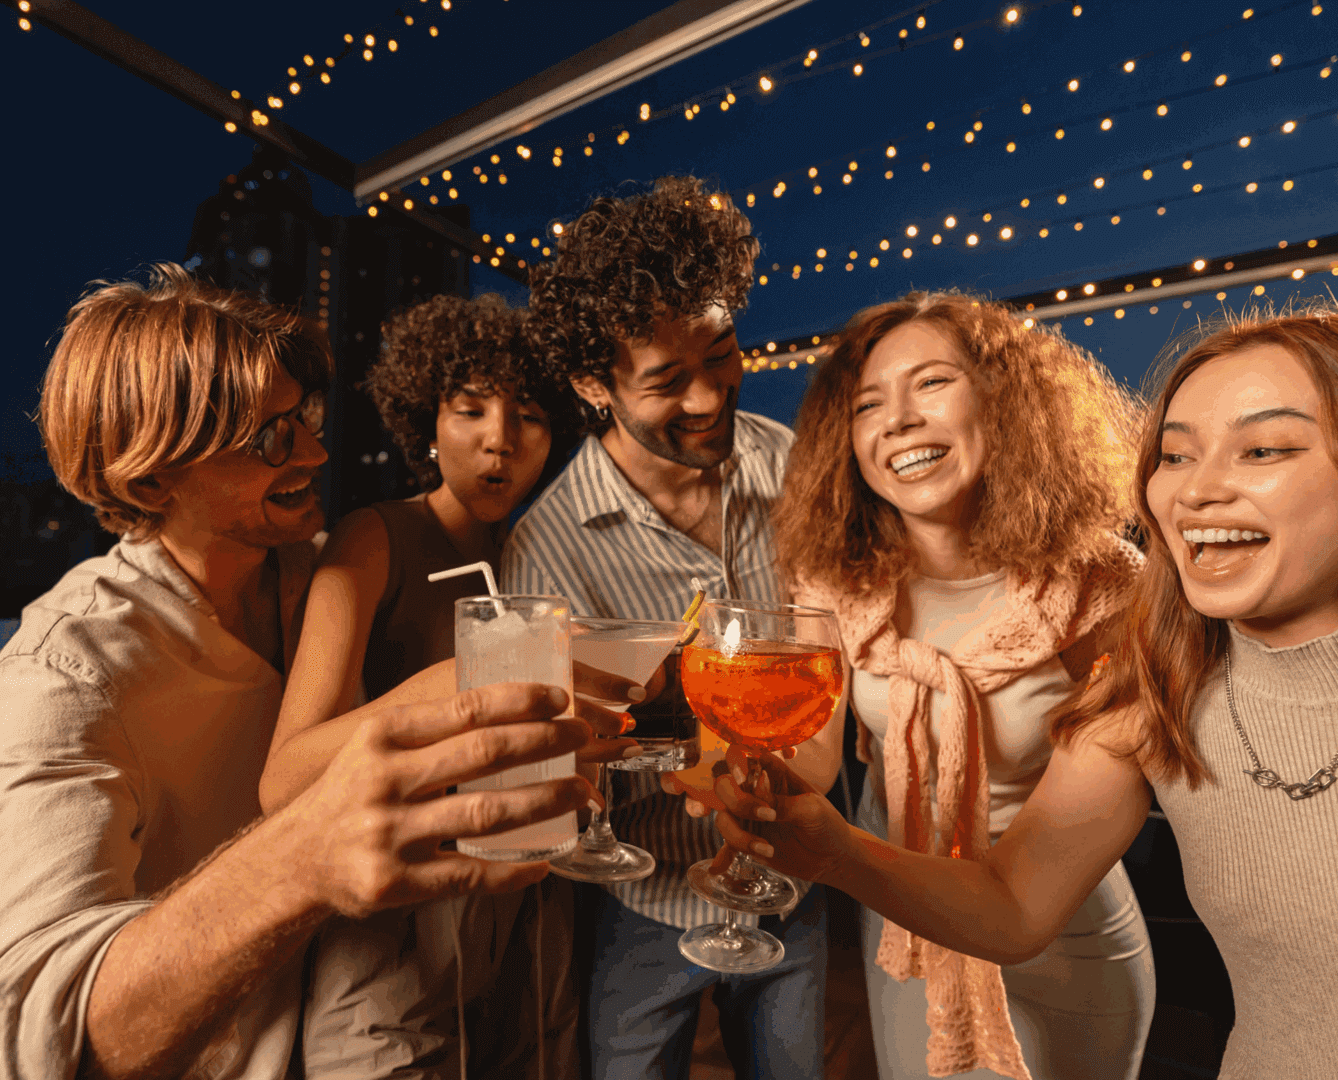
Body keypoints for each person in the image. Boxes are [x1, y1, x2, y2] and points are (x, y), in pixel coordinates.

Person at [0, 265, 597, 1080]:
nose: (315, 452)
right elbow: (38, 1031)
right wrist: (295, 862)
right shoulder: (62, 676)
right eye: (270, 438)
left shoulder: (332, 575)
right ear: (149, 477)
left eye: (305, 419)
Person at [713, 307, 1338, 1080]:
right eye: (1174, 455)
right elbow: (1011, 902)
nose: (1201, 489)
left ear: (1006, 403)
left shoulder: (1124, 610)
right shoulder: (1159, 686)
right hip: (919, 913)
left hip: (1071, 933)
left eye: (1265, 448)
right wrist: (802, 822)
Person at [507, 175, 843, 1080]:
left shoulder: (794, 465)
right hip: (648, 901)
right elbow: (565, 748)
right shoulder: (546, 544)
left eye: (722, 354)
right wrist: (678, 739)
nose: (707, 397)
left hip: (796, 883)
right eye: (666, 380)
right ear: (592, 384)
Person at [259, 293, 593, 1079]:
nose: (500, 442)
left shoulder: (543, 558)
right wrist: (454, 685)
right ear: (425, 421)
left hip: (531, 910)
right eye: (469, 410)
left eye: (530, 417)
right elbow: (285, 778)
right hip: (398, 920)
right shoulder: (372, 538)